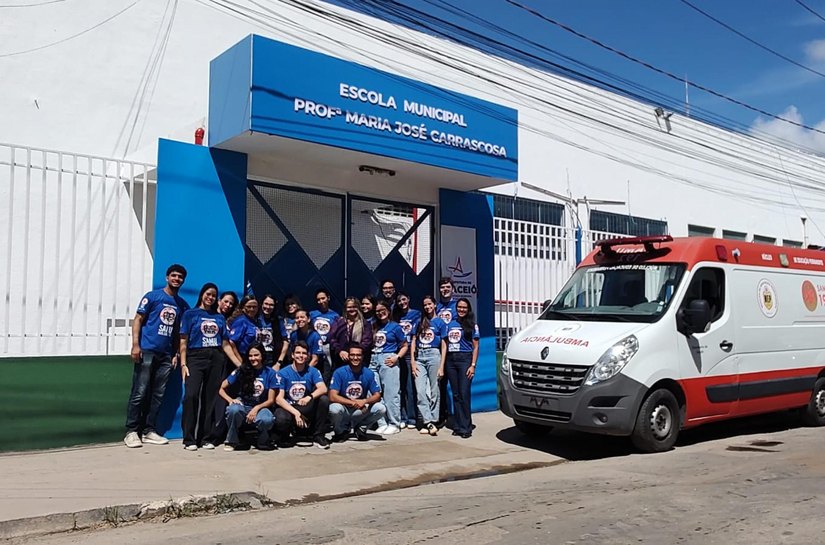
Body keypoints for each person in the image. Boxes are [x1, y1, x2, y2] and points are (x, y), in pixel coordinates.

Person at [124, 264, 189, 448]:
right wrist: (135, 345)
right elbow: (138, 319)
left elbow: (178, 333)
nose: (177, 279)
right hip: (147, 351)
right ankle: (131, 432)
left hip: (166, 356)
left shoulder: (182, 305)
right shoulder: (152, 297)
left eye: (180, 277)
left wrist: (175, 353)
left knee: (158, 395)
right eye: (174, 276)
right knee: (139, 392)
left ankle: (149, 431)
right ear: (167, 277)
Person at [179, 283, 242, 450]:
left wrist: (239, 364)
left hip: (215, 358)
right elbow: (183, 340)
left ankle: (205, 438)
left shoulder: (219, 318)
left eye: (214, 295)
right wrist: (183, 364)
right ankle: (189, 439)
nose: (211, 297)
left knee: (210, 399)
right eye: (208, 294)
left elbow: (225, 343)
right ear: (202, 294)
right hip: (195, 357)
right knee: (191, 396)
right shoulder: (190, 314)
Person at [219, 343, 277, 451]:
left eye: (256, 355)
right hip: (243, 405)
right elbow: (221, 388)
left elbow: (271, 400)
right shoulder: (241, 370)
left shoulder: (270, 373)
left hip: (261, 406)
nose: (253, 358)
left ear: (262, 356)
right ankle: (232, 440)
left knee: (267, 419)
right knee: (233, 410)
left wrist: (256, 408)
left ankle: (263, 441)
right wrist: (230, 400)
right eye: (250, 356)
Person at [274, 341, 330, 449]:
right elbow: (279, 399)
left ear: (308, 356)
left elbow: (323, 388)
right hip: (290, 407)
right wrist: (296, 413)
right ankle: (285, 436)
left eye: (304, 353)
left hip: (305, 405)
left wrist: (310, 397)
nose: (301, 356)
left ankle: (318, 435)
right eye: (298, 353)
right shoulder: (283, 373)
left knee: (324, 400)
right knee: (281, 418)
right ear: (292, 355)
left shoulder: (313, 371)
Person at [328, 344, 386, 442]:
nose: (355, 358)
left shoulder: (368, 373)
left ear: (362, 357)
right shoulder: (339, 372)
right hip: (344, 409)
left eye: (358, 355)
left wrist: (365, 401)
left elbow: (377, 395)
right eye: (352, 355)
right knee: (334, 409)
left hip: (360, 410)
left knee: (381, 408)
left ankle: (361, 429)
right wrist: (353, 402)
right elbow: (332, 396)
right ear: (348, 356)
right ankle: (340, 431)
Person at [442, 297, 479, 439]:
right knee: (456, 395)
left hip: (465, 360)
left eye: (464, 307)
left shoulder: (473, 325)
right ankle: (457, 426)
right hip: (451, 360)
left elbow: (476, 347)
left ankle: (466, 427)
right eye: (459, 307)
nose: (461, 310)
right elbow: (445, 343)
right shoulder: (450, 324)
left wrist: (473, 365)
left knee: (464, 394)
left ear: (468, 309)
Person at [370, 299, 407, 435]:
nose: (380, 313)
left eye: (383, 310)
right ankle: (382, 422)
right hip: (373, 359)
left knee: (391, 393)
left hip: (388, 359)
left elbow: (404, 345)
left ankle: (394, 423)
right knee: (375, 392)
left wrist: (397, 357)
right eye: (377, 311)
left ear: (388, 310)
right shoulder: (374, 326)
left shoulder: (395, 327)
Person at [411, 295, 447, 436]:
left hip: (434, 356)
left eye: (429, 304)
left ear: (434, 305)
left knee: (434, 390)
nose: (427, 307)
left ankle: (433, 420)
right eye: (425, 305)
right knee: (420, 391)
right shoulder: (420, 321)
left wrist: (442, 366)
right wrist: (413, 362)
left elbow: (444, 345)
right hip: (420, 357)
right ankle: (428, 421)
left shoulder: (440, 323)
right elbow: (413, 341)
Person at [393, 291, 421, 429]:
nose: (402, 303)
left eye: (404, 299)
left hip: (410, 354)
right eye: (399, 301)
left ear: (408, 299)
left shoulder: (417, 314)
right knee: (400, 387)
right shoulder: (395, 316)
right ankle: (402, 416)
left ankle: (412, 417)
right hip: (398, 353)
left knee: (410, 388)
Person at [435, 276, 457, 427]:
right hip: (439, 351)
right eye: (442, 287)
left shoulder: (458, 306)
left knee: (456, 387)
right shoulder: (436, 307)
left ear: (453, 289)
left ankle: (458, 418)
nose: (445, 289)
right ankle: (441, 415)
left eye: (448, 287)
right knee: (440, 387)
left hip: (455, 351)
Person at [329, 296, 373, 370]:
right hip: (341, 359)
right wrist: (340, 351)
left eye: (354, 307)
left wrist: (352, 353)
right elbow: (332, 338)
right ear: (345, 309)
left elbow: (367, 342)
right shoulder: (339, 322)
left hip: (358, 360)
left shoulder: (365, 324)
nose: (352, 309)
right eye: (349, 307)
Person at [310, 288, 340, 382]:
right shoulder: (312, 314)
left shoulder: (335, 315)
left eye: (323, 298)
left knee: (328, 369)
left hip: (327, 346)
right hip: (314, 346)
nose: (321, 301)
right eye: (318, 299)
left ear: (328, 298)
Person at [258, 294, 288, 369]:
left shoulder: (278, 320)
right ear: (261, 304)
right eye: (266, 304)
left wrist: (279, 362)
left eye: (271, 305)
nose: (268, 307)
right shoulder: (256, 319)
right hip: (257, 356)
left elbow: (285, 342)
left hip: (273, 357)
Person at [228, 296, 259, 361]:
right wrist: (240, 361)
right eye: (249, 307)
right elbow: (232, 342)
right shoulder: (241, 321)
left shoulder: (255, 321)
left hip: (253, 357)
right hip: (243, 357)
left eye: (254, 307)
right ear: (243, 307)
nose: (252, 309)